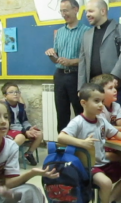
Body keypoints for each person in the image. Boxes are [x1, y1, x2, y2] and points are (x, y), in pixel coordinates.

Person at [45, 0, 90, 133]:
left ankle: (81, 146)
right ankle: (63, 146)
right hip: (59, 76)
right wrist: (51, 54)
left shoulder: (87, 32)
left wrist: (72, 62)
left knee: (80, 112)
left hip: (77, 76)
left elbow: (89, 58)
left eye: (66, 10)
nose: (64, 14)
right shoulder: (59, 32)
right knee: (61, 112)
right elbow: (56, 59)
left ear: (76, 9)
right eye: (62, 11)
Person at [78, 0, 121, 106]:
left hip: (113, 87)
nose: (87, 15)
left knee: (113, 120)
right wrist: (81, 87)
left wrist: (114, 77)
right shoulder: (86, 34)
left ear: (103, 11)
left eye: (90, 11)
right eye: (86, 12)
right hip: (93, 90)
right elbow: (82, 61)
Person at [1, 82, 43, 166]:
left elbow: (24, 121)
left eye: (17, 92)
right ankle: (7, 156)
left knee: (39, 134)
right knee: (21, 137)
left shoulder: (20, 106)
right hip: (9, 129)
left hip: (21, 129)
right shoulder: (4, 107)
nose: (15, 94)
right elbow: (9, 124)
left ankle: (29, 153)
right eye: (11, 92)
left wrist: (29, 128)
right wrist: (24, 131)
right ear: (5, 95)